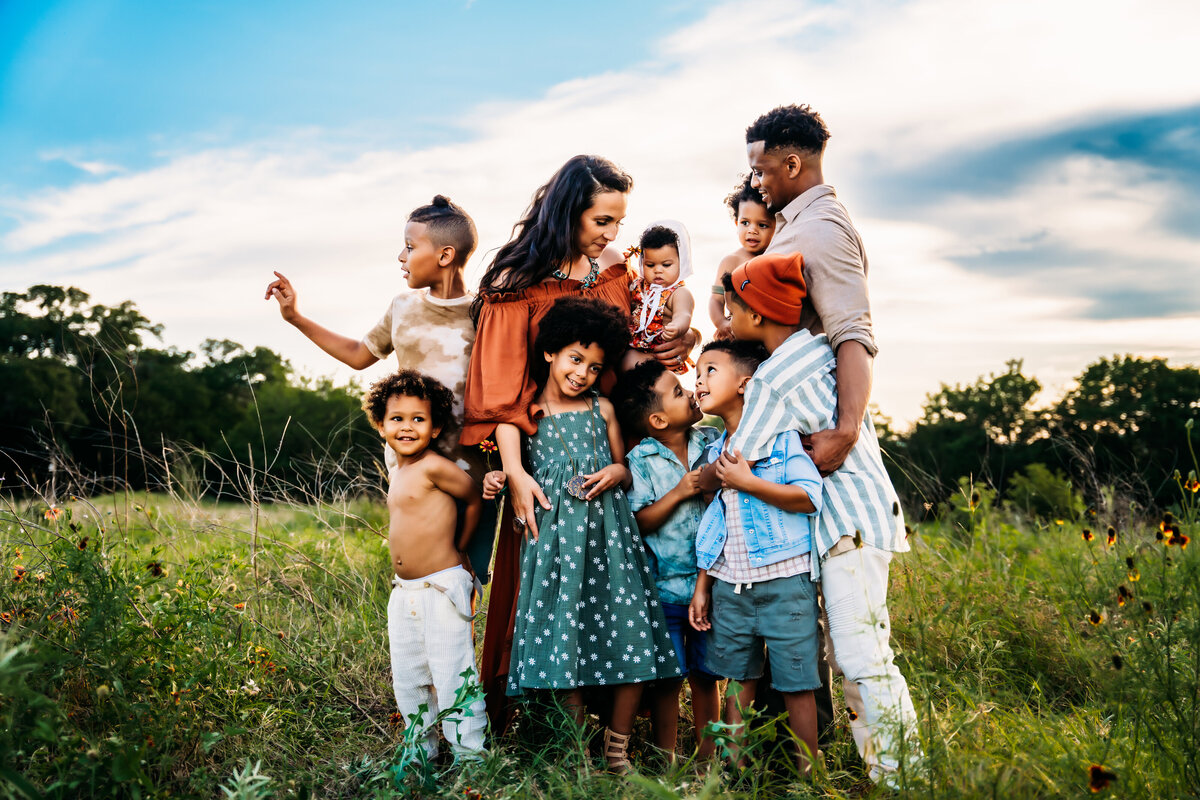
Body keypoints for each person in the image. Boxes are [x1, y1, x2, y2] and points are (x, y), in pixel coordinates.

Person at [462, 155, 695, 724]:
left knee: (625, 586)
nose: (614, 236)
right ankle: (546, 722)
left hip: (618, 447)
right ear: (568, 213)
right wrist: (516, 473)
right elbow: (501, 392)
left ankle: (620, 722)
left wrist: (670, 340)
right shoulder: (516, 284)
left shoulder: (616, 269)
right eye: (601, 222)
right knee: (549, 589)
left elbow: (636, 339)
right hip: (545, 460)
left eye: (618, 222)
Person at [722, 252, 920, 783]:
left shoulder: (771, 379)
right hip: (869, 516)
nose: (724, 313)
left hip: (844, 526)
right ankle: (887, 770)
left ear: (757, 314)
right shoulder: (821, 352)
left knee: (861, 657)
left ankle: (903, 777)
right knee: (859, 653)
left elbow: (739, 446)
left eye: (732, 304)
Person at [484, 297, 680, 772]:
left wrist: (617, 471)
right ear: (550, 352)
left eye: (595, 367)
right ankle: (575, 753)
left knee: (630, 633)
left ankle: (617, 750)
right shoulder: (524, 414)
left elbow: (624, 469)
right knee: (563, 641)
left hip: (611, 541)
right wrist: (499, 479)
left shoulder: (604, 408)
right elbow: (511, 470)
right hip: (554, 547)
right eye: (576, 359)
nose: (584, 374)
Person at [263, 195, 494, 578]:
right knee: (420, 573)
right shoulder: (403, 306)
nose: (400, 257)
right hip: (409, 470)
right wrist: (295, 318)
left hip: (471, 473)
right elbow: (358, 354)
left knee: (462, 576)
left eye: (409, 247)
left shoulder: (484, 311)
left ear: (445, 255)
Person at [686, 339, 824, 775]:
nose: (699, 379)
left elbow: (808, 496)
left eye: (711, 370)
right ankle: (732, 771)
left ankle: (809, 774)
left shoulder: (782, 440)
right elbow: (714, 526)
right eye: (698, 371)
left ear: (745, 383)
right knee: (737, 679)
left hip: (787, 582)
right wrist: (703, 586)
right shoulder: (715, 450)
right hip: (732, 587)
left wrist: (747, 482)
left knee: (796, 683)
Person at [361, 370, 487, 762]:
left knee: (453, 673)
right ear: (381, 425)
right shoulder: (397, 472)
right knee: (411, 676)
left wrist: (461, 552)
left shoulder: (434, 466)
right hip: (405, 591)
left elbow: (474, 500)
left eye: (419, 419)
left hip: (441, 587)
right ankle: (420, 754)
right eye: (397, 418)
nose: (407, 427)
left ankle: (471, 757)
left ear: (434, 429)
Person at [612, 360, 720, 759]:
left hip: (712, 586)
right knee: (669, 680)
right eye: (678, 391)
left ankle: (709, 758)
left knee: (708, 677)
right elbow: (638, 522)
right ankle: (667, 758)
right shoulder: (640, 459)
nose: (691, 391)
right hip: (666, 591)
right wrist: (679, 491)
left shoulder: (711, 441)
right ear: (657, 420)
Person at [709, 177, 776, 339]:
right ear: (736, 223)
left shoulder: (775, 257)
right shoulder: (731, 261)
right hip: (737, 334)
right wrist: (721, 323)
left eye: (762, 225)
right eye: (745, 223)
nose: (752, 230)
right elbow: (716, 300)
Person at [625, 221, 695, 374]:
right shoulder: (638, 285)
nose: (658, 271)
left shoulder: (678, 293)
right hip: (637, 347)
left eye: (666, 265)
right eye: (650, 265)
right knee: (628, 362)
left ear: (681, 263)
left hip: (662, 353)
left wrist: (677, 327)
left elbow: (684, 314)